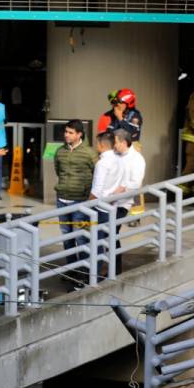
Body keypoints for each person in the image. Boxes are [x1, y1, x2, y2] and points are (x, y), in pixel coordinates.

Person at [54, 119, 96, 286]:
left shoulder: (89, 153)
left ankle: (85, 271)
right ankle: (72, 269)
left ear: (79, 134)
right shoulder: (60, 151)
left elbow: (97, 173)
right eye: (66, 131)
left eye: (70, 132)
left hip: (81, 201)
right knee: (67, 237)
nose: (66, 135)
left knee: (81, 237)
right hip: (62, 199)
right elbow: (58, 170)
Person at [111, 129, 146, 274]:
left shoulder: (136, 159)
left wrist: (122, 188)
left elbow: (136, 183)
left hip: (122, 203)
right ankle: (109, 266)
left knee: (112, 233)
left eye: (115, 142)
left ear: (124, 142)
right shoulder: (115, 155)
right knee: (107, 234)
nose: (113, 145)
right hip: (109, 201)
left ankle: (115, 269)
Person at [90, 131, 123, 279]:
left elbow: (96, 191)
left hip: (99, 208)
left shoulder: (102, 163)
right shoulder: (119, 160)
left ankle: (94, 276)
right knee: (108, 241)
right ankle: (108, 272)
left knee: (96, 243)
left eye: (97, 143)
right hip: (112, 206)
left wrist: (87, 205)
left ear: (102, 145)